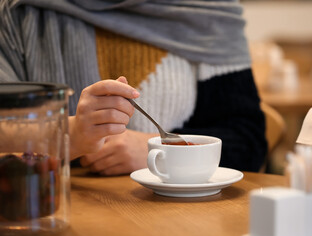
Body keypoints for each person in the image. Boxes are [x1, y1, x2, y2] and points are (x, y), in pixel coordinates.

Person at [0, 0, 267, 175]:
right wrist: (73, 136)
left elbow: (248, 142)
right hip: (55, 210)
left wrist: (161, 153)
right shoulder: (18, 13)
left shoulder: (207, 13)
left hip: (183, 219)